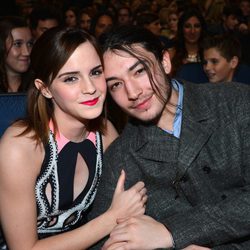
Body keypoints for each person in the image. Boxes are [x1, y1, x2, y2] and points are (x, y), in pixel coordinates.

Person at [88, 25, 250, 249]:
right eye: (116, 84)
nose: (133, 92)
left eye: (139, 71)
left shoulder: (236, 103)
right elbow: (103, 242)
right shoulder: (122, 156)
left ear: (165, 61)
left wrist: (170, 232)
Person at [0, 27, 147, 249]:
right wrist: (110, 219)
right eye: (70, 79)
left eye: (96, 72)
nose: (90, 89)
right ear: (45, 89)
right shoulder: (19, 147)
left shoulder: (106, 133)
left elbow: (131, 203)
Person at [169, 7, 207, 77]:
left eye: (197, 26)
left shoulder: (209, 53)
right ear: (181, 29)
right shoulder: (171, 55)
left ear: (202, 29)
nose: (192, 31)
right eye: (187, 26)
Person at [0, 16, 34, 93]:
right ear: (2, 46)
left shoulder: (39, 87)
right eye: (18, 44)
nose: (27, 52)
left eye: (30, 44)